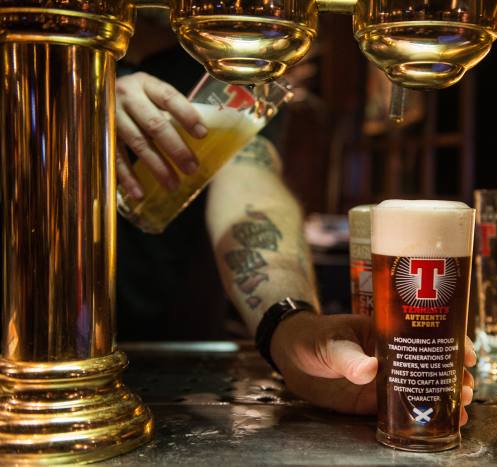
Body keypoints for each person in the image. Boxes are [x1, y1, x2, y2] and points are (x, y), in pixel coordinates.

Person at [115, 11, 476, 419]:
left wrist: (291, 331)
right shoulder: (54, 60)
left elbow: (250, 186)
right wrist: (78, 97)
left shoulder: (240, 56)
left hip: (178, 358)